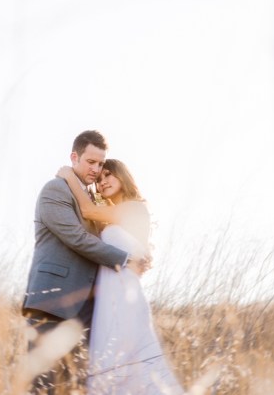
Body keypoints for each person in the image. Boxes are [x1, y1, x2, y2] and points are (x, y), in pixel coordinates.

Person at [22, 130, 145, 394]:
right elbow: (76, 238)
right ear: (74, 157)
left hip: (87, 310)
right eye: (91, 162)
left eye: (101, 164)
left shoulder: (91, 198)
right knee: (44, 384)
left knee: (77, 385)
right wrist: (124, 258)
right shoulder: (55, 189)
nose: (96, 169)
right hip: (52, 302)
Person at [57, 159, 184, 394]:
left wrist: (69, 177)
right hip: (107, 301)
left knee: (133, 364)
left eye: (109, 176)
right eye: (100, 178)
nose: (103, 181)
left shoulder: (134, 208)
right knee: (109, 363)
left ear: (123, 177)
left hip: (126, 300)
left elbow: (87, 209)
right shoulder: (108, 217)